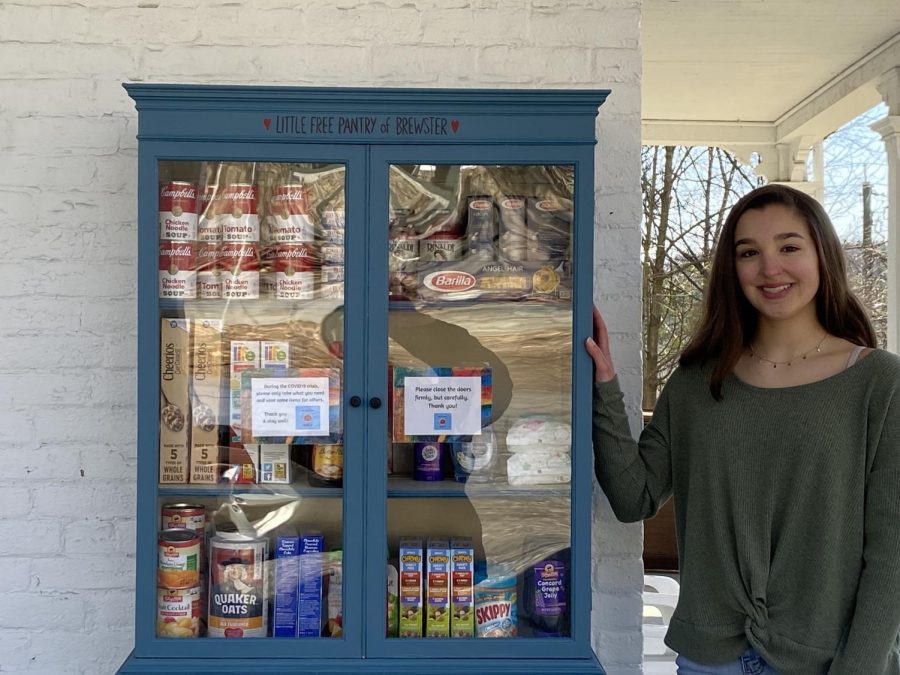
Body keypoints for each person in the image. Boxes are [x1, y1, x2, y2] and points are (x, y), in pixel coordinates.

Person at [585, 184, 900, 674]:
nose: (770, 267)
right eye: (749, 252)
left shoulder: (879, 383)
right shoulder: (696, 383)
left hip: (827, 661)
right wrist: (603, 387)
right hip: (709, 660)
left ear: (823, 255)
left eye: (789, 247)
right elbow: (633, 497)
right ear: (732, 270)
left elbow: (892, 554)